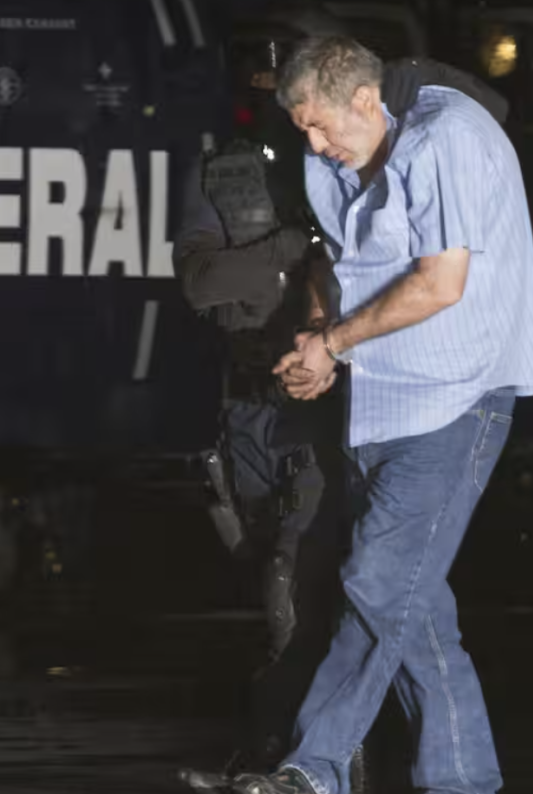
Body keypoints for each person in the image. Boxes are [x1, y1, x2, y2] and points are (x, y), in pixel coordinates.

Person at [231, 36, 533, 794]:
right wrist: (319, 339)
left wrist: (335, 343)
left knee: (378, 585)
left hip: (457, 398)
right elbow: (340, 266)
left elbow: (440, 283)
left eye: (320, 126)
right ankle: (465, 780)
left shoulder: (448, 137)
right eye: (303, 130)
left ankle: (312, 772)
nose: (314, 145)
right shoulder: (336, 155)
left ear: (366, 100)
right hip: (378, 404)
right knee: (416, 614)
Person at [174, 36, 339, 665]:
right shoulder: (221, 172)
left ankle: (314, 723)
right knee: (262, 564)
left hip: (315, 400)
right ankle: (289, 717)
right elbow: (201, 282)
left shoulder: (335, 159)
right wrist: (291, 248)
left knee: (293, 576)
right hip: (247, 399)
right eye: (260, 87)